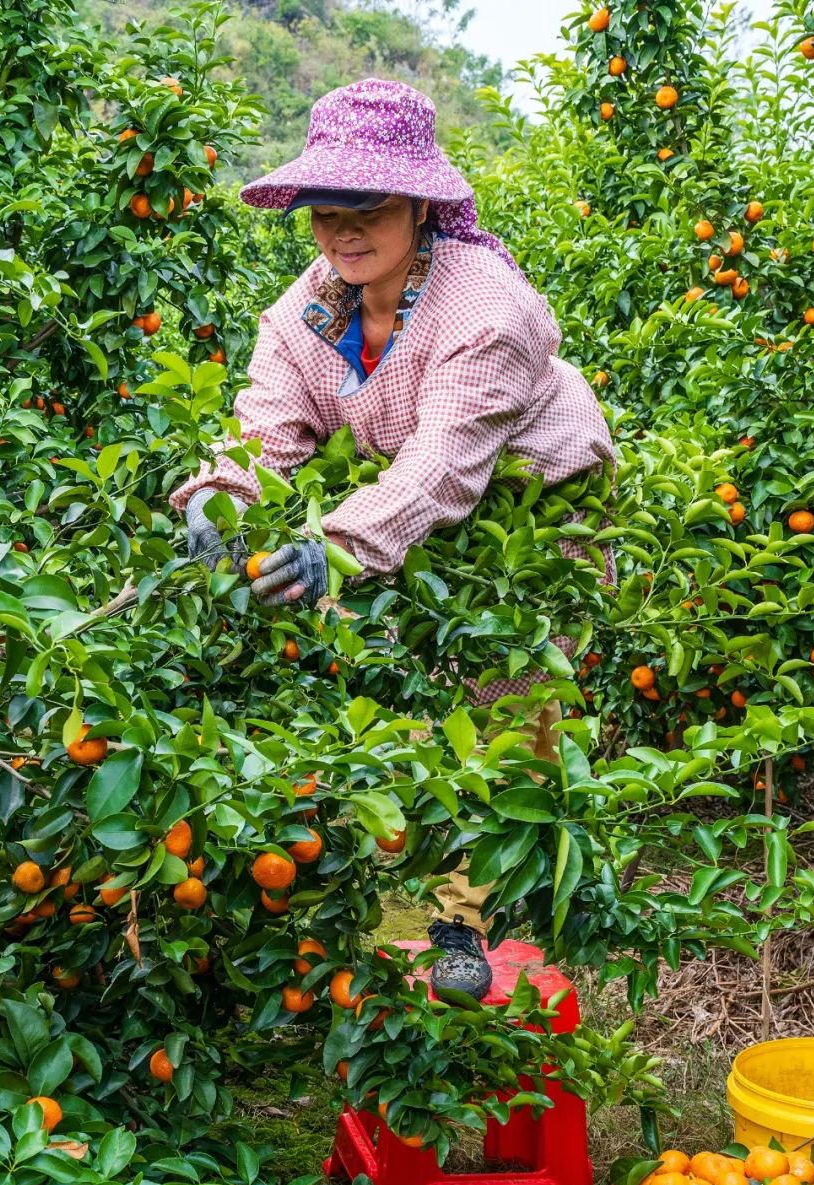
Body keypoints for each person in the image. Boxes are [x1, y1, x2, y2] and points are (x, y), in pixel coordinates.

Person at [170, 78, 613, 1001]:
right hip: (405, 515)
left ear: (419, 201)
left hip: (533, 516)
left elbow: (440, 468)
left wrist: (331, 545)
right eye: (324, 212)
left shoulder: (484, 307)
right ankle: (392, 886)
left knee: (506, 698)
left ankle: (466, 918)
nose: (342, 231)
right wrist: (219, 493)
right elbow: (265, 421)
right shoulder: (312, 308)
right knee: (410, 692)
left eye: (365, 207)